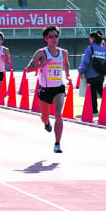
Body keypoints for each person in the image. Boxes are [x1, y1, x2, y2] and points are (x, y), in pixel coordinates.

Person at [25, 25, 71, 153]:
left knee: (58, 113)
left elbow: (66, 63)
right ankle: (46, 123)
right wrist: (43, 64)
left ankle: (57, 143)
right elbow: (29, 69)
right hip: (45, 89)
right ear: (46, 39)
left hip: (58, 88)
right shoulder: (41, 53)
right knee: (45, 117)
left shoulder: (63, 52)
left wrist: (67, 75)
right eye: (51, 37)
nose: (54, 39)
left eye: (56, 36)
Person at [77, 30, 106, 115]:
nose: (89, 39)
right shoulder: (103, 49)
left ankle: (95, 110)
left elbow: (86, 63)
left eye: (90, 38)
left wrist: (80, 70)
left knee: (93, 94)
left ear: (92, 39)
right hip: (101, 75)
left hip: (91, 75)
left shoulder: (89, 49)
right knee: (101, 91)